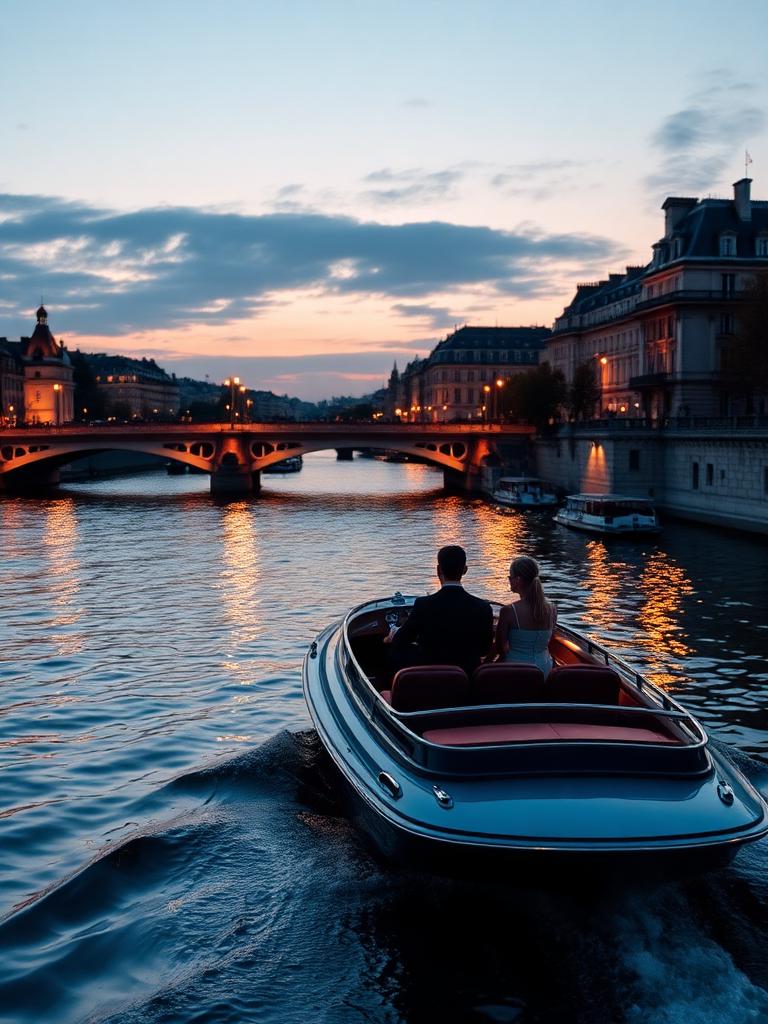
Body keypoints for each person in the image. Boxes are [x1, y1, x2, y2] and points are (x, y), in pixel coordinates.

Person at [385, 545, 494, 677]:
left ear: (438, 570)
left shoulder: (423, 605)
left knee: (394, 652)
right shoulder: (483, 608)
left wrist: (393, 633)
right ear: (465, 570)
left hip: (431, 678)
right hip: (468, 679)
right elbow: (485, 649)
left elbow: (401, 640)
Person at [493, 556, 556, 675]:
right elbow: (549, 641)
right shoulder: (552, 609)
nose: (508, 579)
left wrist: (486, 663)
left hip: (516, 671)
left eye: (510, 576)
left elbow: (499, 648)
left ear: (517, 580)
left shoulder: (509, 611)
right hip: (545, 670)